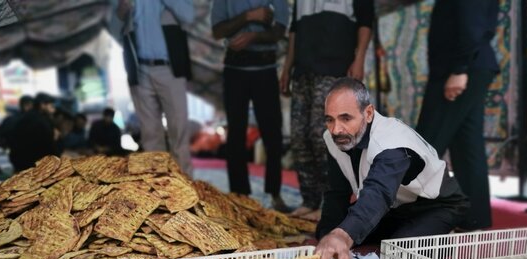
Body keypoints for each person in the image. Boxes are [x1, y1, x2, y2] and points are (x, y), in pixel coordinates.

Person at [315, 78, 469, 259]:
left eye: (346, 118)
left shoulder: (391, 143)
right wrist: (328, 236)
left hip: (435, 206)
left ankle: (439, 237)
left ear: (368, 113)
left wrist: (342, 236)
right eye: (330, 119)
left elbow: (378, 193)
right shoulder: (334, 138)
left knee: (396, 257)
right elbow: (336, 192)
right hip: (394, 208)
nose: (336, 129)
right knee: (336, 232)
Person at [280, 0, 374, 220]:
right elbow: (294, 31)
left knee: (323, 134)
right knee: (299, 136)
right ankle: (309, 200)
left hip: (334, 68)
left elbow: (365, 23)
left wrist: (359, 59)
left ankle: (329, 204)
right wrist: (287, 68)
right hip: (302, 71)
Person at [416, 0, 499, 231]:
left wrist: (460, 69)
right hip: (469, 65)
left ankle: (411, 223)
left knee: (424, 147)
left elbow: (471, 19)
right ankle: (474, 219)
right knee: (467, 146)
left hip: (460, 69)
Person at [211, 0, 290, 212]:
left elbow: (280, 31)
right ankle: (240, 196)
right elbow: (217, 31)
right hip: (234, 69)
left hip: (266, 68)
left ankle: (275, 193)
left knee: (272, 134)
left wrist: (253, 35)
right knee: (235, 134)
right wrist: (248, 17)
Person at [117, 0, 195, 175]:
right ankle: (158, 191)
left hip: (170, 69)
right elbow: (119, 19)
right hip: (140, 69)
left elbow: (188, 16)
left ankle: (186, 189)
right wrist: (122, 9)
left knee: (179, 133)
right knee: (150, 135)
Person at [8, 93, 60, 172]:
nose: (53, 107)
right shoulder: (41, 121)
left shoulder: (26, 117)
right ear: (42, 105)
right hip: (35, 166)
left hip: (20, 163)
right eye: (50, 105)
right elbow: (49, 146)